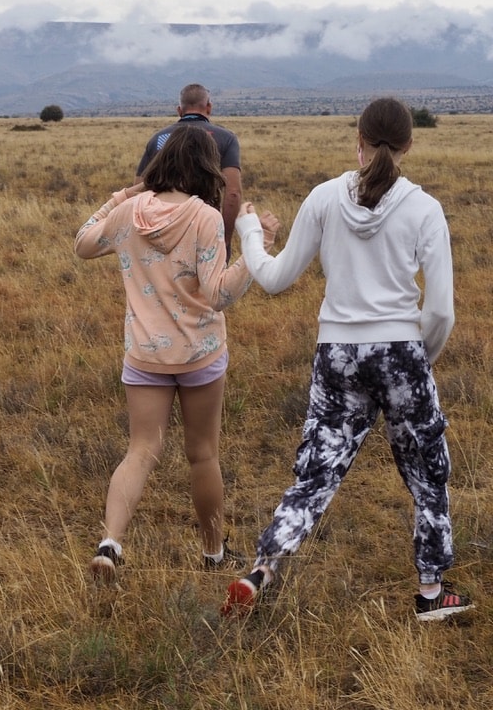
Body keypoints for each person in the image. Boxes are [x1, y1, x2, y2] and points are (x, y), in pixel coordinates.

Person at [221, 97, 473, 622]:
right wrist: (417, 362)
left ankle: (261, 569)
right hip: (401, 350)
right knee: (426, 470)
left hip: (336, 351)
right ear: (409, 145)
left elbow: (272, 279)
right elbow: (442, 311)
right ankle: (431, 594)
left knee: (317, 469)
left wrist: (247, 234)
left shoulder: (323, 198)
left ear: (356, 140)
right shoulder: (424, 209)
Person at [75, 125, 276, 584]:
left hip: (144, 355)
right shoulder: (204, 217)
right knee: (203, 454)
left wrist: (121, 195)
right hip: (201, 355)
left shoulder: (128, 213)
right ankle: (213, 553)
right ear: (207, 167)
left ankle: (110, 543)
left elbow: (83, 244)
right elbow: (219, 294)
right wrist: (255, 246)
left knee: (140, 450)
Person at [135, 84, 243, 259]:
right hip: (205, 230)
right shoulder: (225, 138)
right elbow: (233, 193)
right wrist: (225, 240)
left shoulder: (159, 139)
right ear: (209, 106)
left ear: (179, 110)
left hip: (161, 232)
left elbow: (139, 189)